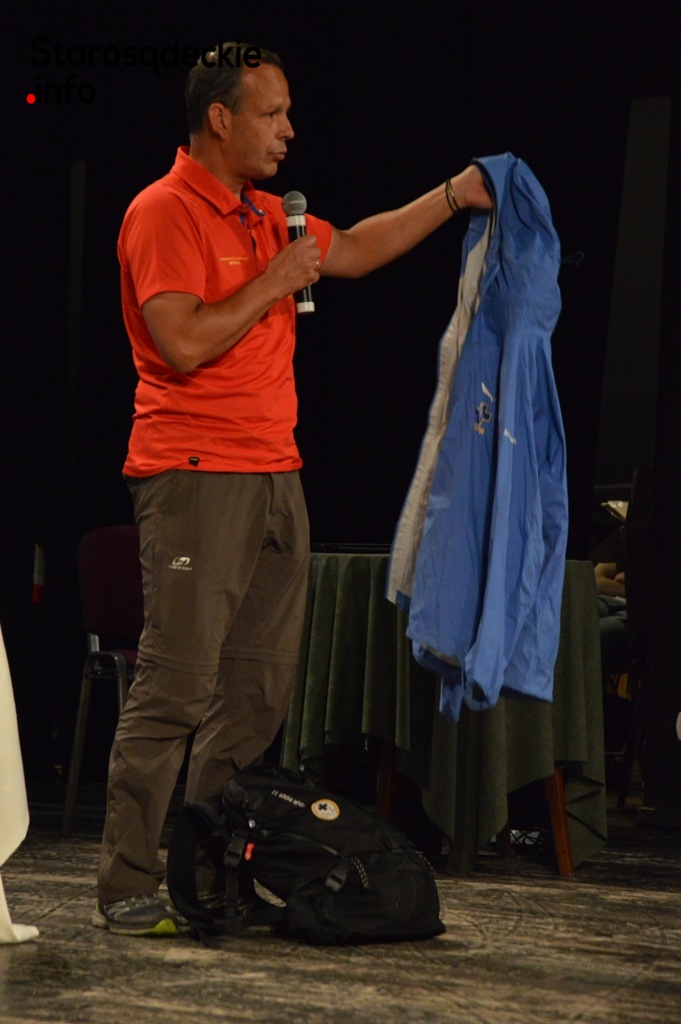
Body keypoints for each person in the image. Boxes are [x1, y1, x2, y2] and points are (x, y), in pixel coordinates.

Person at [93, 40, 492, 936]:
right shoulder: (162, 211)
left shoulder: (271, 213)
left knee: (257, 694)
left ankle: (206, 869)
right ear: (220, 118)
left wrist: (452, 195)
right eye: (271, 114)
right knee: (176, 686)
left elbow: (356, 247)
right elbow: (180, 343)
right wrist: (274, 280)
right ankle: (126, 880)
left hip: (277, 473)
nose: (288, 130)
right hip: (196, 474)